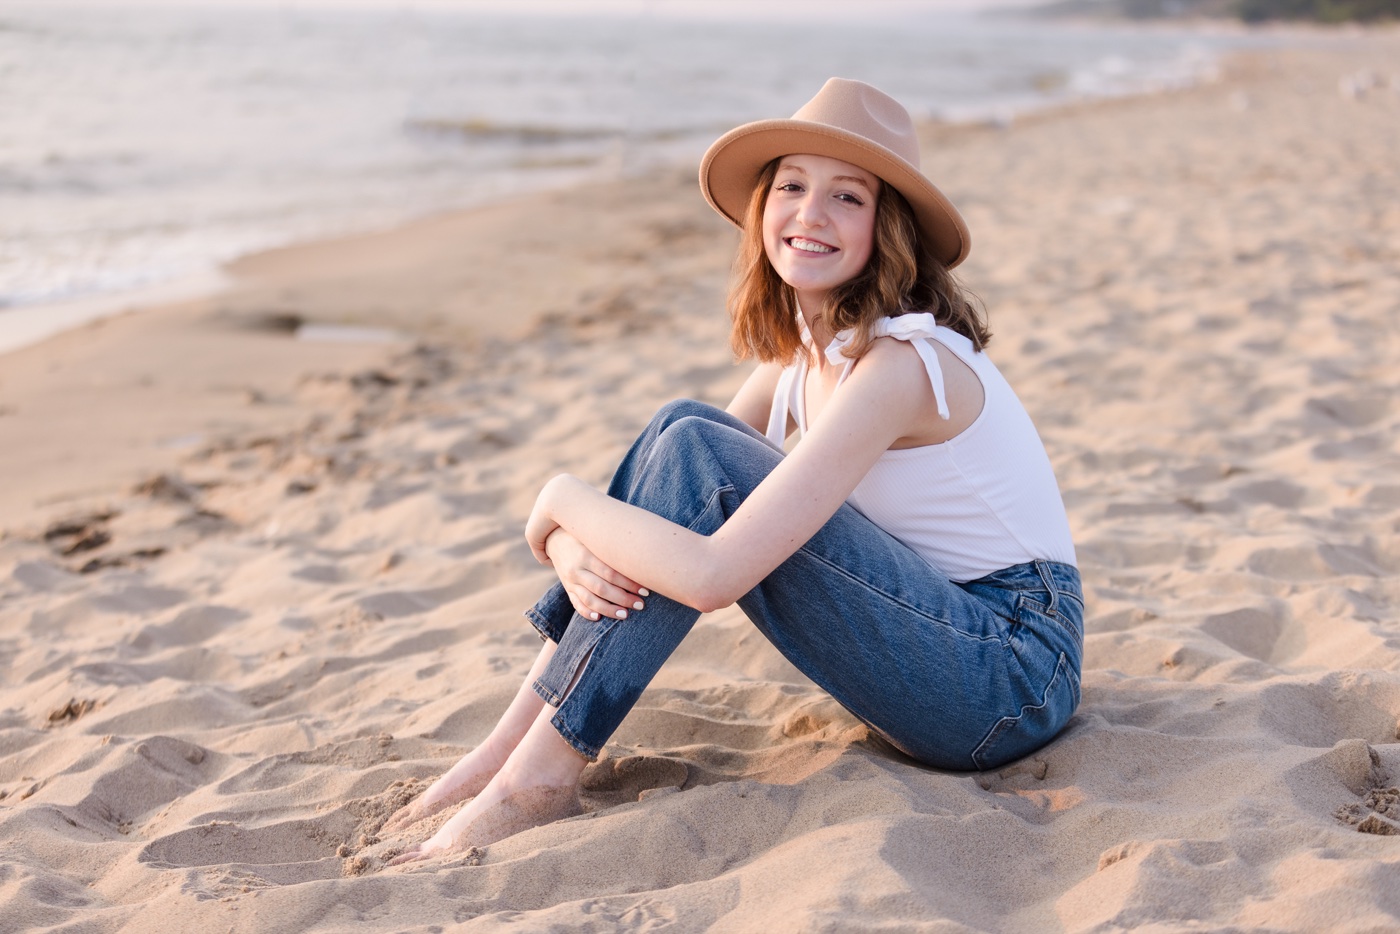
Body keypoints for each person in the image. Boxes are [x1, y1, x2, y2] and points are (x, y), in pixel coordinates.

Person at [385, 78, 1081, 863]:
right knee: (681, 424)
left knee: (698, 448)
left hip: (1011, 676)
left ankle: (537, 777)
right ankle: (506, 753)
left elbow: (711, 573)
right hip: (943, 645)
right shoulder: (801, 360)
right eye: (791, 186)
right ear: (762, 209)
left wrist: (558, 500)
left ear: (887, 227)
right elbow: (669, 484)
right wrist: (571, 545)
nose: (810, 214)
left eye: (847, 197)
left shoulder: (900, 365)